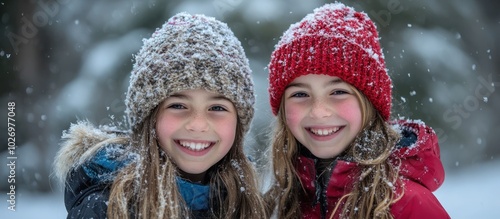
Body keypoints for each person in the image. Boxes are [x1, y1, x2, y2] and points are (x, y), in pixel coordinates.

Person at [54, 13, 268, 219]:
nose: (198, 124)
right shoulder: (107, 207)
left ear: (238, 123)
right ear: (149, 117)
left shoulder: (247, 203)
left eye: (217, 108)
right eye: (178, 105)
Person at [264, 3, 450, 219]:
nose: (319, 112)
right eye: (300, 95)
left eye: (338, 92)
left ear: (369, 103)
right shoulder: (282, 202)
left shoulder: (407, 203)